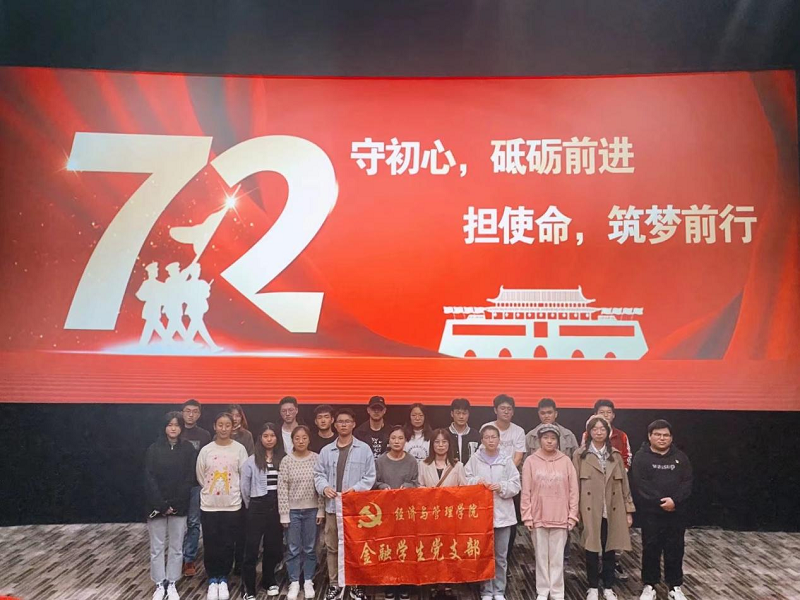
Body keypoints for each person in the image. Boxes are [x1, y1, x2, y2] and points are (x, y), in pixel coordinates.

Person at [313, 408, 376, 600]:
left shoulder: (364, 449)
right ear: (335, 424)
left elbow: (370, 476)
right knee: (332, 547)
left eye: (347, 421)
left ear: (353, 424)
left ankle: (356, 584)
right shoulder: (326, 451)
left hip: (355, 509)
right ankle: (335, 584)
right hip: (333, 508)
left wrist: (355, 490)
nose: (343, 424)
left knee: (355, 547)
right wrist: (324, 487)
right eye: (340, 421)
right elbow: (318, 474)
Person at [573, 416, 635, 600]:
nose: (599, 432)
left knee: (610, 547)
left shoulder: (615, 455)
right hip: (589, 508)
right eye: (595, 429)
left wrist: (628, 510)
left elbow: (624, 485)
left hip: (612, 508)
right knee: (591, 548)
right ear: (589, 432)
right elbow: (574, 485)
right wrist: (575, 510)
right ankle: (592, 586)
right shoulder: (580, 454)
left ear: (608, 432)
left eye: (602, 429)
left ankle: (608, 586)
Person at [631, 420, 692, 600]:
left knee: (675, 548)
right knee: (651, 548)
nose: (662, 438)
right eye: (657, 434)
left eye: (666, 435)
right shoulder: (641, 458)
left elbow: (687, 482)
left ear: (671, 438)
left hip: (676, 513)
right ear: (650, 436)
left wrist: (675, 501)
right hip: (651, 513)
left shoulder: (681, 457)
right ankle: (649, 585)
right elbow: (641, 484)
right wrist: (660, 501)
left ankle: (675, 586)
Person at [521, 424, 579, 600]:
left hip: (560, 516)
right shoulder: (531, 461)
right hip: (538, 516)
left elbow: (574, 490)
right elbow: (526, 491)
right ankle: (543, 590)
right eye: (546, 438)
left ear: (558, 441)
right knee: (541, 556)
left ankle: (557, 591)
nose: (549, 441)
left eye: (553, 438)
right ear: (540, 440)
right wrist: (527, 515)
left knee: (557, 557)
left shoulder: (565, 461)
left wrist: (572, 515)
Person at [196, 412, 249, 600]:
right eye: (220, 425)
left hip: (232, 505)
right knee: (211, 543)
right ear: (214, 426)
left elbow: (244, 476)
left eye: (227, 425)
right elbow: (201, 476)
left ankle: (223, 578)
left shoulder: (239, 449)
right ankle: (213, 579)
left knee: (227, 543)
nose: (224, 428)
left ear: (233, 427)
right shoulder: (206, 450)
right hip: (209, 505)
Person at [145, 412, 197, 600]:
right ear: (164, 427)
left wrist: (174, 503)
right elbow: (149, 478)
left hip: (179, 506)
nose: (173, 428)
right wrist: (161, 504)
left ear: (181, 428)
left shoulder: (188, 449)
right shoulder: (153, 449)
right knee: (157, 547)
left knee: (176, 547)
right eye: (170, 425)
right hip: (156, 506)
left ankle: (172, 582)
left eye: (177, 425)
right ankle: (159, 584)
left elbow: (189, 478)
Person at [466, 425, 521, 600]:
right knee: (484, 554)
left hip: (503, 514)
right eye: (487, 437)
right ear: (482, 440)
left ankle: (499, 590)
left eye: (494, 437)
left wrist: (502, 487)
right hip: (482, 515)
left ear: (499, 440)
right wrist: (478, 482)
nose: (490, 440)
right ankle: (486, 590)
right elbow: (466, 479)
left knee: (501, 556)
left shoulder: (506, 460)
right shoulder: (475, 459)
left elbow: (516, 484)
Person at [279, 425, 325, 600]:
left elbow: (320, 485)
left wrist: (321, 509)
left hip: (312, 510)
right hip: (293, 511)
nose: (300, 441)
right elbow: (282, 489)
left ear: (309, 439)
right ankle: (294, 582)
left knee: (310, 548)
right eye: (297, 438)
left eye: (304, 438)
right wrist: (284, 513)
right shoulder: (286, 461)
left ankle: (308, 580)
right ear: (292, 440)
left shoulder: (317, 459)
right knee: (293, 548)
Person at [241, 422, 286, 599]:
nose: (269, 439)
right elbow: (245, 488)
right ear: (260, 438)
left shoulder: (283, 459)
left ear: (277, 438)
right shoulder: (251, 461)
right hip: (257, 506)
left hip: (277, 506)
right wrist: (252, 505)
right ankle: (248, 587)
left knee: (272, 546)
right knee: (251, 547)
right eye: (265, 436)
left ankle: (269, 580)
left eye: (272, 436)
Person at [374, 425, 419, 600]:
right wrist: (382, 486)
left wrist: (407, 486)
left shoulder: (412, 461)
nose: (396, 441)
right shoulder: (380, 461)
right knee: (388, 547)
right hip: (385, 512)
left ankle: (405, 584)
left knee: (405, 547)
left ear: (406, 440)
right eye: (393, 438)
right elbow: (375, 482)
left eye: (400, 438)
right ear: (389, 440)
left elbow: (416, 482)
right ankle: (389, 584)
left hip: (405, 512)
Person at [482, 394, 526, 564]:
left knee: (510, 521)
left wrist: (504, 473)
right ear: (495, 410)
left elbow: (518, 456)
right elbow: (482, 452)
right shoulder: (487, 427)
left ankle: (506, 557)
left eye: (509, 409)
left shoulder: (518, 431)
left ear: (513, 412)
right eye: (502, 408)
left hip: (509, 479)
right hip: (488, 482)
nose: (506, 411)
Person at [180, 399, 212, 577]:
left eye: (194, 411)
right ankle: (176, 556)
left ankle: (189, 559)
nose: (190, 414)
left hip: (196, 484)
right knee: (177, 523)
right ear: (182, 412)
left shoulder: (205, 435)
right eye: (187, 411)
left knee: (193, 522)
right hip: (176, 485)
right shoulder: (176, 430)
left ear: (199, 414)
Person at [581, 399, 632, 470]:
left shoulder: (621, 436)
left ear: (613, 415)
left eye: (609, 412)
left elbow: (627, 457)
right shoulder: (587, 434)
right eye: (602, 412)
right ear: (595, 414)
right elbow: (582, 455)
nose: (605, 415)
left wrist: (622, 472)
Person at [354, 395, 392, 460]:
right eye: (373, 408)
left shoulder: (391, 432)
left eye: (379, 409)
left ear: (384, 410)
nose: (376, 411)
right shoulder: (359, 432)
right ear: (368, 410)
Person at [447, 398, 481, 465]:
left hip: (471, 471)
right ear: (452, 414)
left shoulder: (476, 435)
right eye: (458, 413)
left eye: (464, 413)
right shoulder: (445, 434)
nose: (461, 416)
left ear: (468, 414)